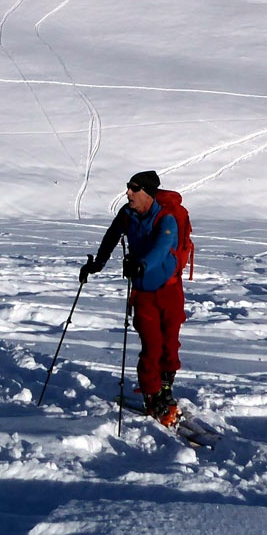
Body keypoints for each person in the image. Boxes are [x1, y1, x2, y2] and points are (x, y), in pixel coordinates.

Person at [79, 170, 191, 421]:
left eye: (134, 188)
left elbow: (163, 248)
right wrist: (98, 263)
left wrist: (142, 265)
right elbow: (111, 236)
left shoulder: (166, 218)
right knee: (151, 346)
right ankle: (152, 396)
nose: (128, 192)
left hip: (169, 289)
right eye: (128, 187)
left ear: (148, 193)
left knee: (170, 344)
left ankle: (165, 390)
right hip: (143, 292)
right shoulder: (127, 214)